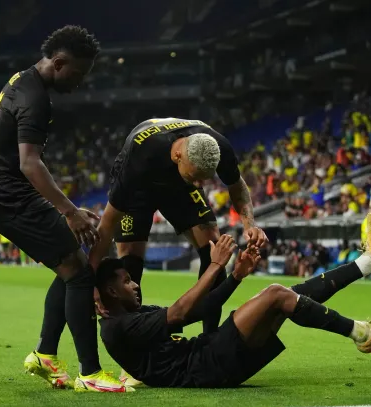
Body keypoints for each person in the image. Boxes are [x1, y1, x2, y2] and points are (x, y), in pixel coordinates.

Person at [0, 25, 129, 393]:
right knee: (79, 275)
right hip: (11, 199)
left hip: (3, 195)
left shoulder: (21, 80)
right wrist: (69, 211)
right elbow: (30, 163)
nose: (78, 83)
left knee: (71, 269)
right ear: (59, 63)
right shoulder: (36, 98)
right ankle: (90, 373)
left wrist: (70, 207)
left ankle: (46, 355)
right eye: (76, 74)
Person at [95, 213, 371, 388]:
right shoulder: (119, 326)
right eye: (126, 282)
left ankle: (368, 262)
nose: (134, 285)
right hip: (205, 367)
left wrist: (234, 276)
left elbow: (197, 311)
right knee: (275, 294)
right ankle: (361, 332)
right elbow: (179, 313)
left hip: (207, 358)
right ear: (109, 292)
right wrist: (216, 265)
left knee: (288, 295)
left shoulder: (129, 318)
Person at [87, 117, 269, 384]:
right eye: (195, 177)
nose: (199, 186)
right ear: (177, 156)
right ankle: (138, 348)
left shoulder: (217, 146)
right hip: (141, 186)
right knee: (130, 258)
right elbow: (107, 224)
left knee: (212, 245)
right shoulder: (140, 159)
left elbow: (236, 185)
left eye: (204, 180)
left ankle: (211, 338)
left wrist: (249, 224)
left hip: (175, 186)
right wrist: (91, 279)